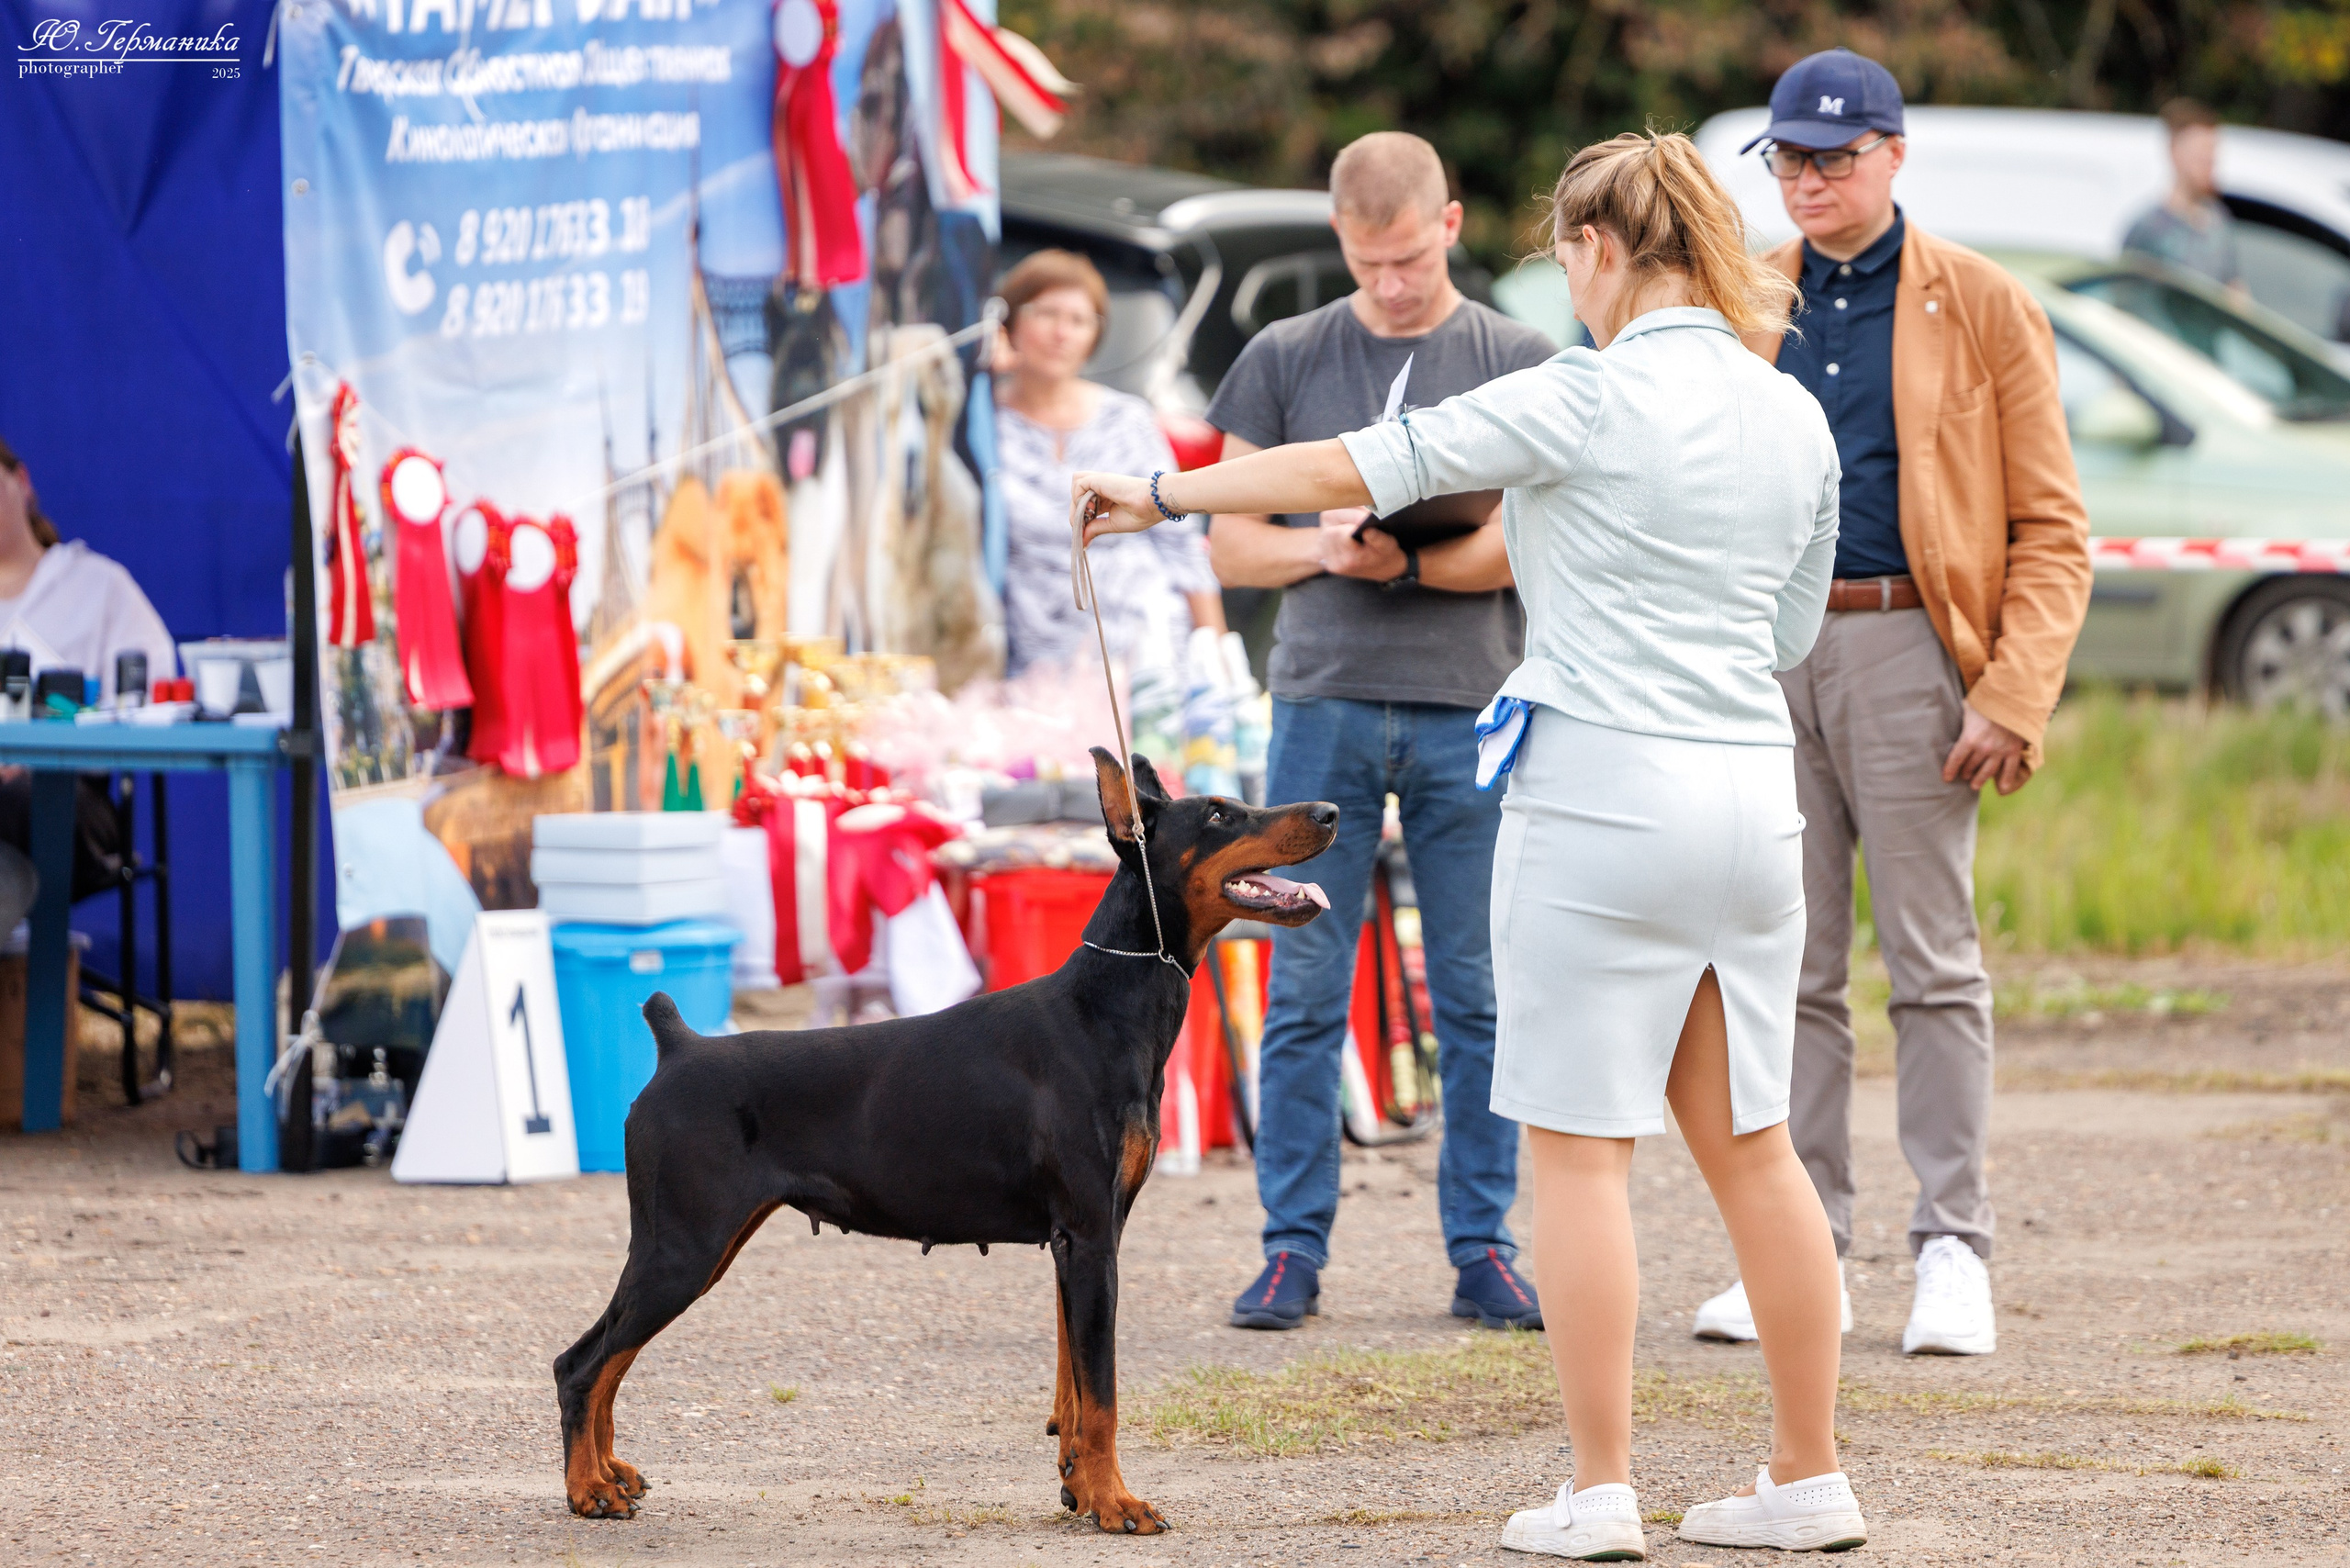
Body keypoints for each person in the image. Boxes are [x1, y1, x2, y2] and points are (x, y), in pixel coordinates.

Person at [1077, 129, 1873, 1558]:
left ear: (1601, 250)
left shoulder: (1580, 390)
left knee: (1578, 1159)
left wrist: (1161, 493)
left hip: (1604, 803)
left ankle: (1601, 1488)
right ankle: (1806, 1474)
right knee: (1760, 1153)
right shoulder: (1791, 412)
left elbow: (1365, 460)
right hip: (1755, 803)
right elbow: (1791, 633)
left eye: (1568, 258)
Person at [1695, 49, 2090, 1359]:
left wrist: (2013, 691)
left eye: (1836, 157)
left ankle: (1953, 1246)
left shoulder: (1979, 301)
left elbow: (2053, 527)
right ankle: (1803, 1250)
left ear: (1893, 155)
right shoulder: (1747, 296)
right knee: (1784, 966)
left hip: (1912, 644)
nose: (1809, 180)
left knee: (1931, 961)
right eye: (1791, 160)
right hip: (1765, 653)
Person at [1197, 130, 1559, 1334]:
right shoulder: (1289, 352)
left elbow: (1524, 541)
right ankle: (1290, 1250)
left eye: (1408, 259)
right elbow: (1234, 540)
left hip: (1469, 702)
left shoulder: (1517, 355)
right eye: (1367, 263)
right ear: (1341, 242)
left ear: (1450, 225)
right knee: (1305, 988)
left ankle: (1486, 1249)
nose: (1391, 284)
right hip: (1324, 696)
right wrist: (1326, 547)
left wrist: (1408, 558)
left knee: (1482, 994)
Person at [992, 249, 1223, 678]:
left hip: (1146, 654)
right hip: (1032, 663)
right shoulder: (982, 423)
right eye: (1046, 313)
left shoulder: (1127, 419)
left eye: (1079, 321)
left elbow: (1182, 542)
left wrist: (1218, 663)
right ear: (1010, 322)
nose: (1061, 333)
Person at [0, 434, 180, 902]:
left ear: (22, 482)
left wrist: (45, 746)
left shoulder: (97, 585)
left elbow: (153, 692)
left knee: (25, 801)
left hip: (69, 792)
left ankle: (36, 957)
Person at [2122, 99, 2246, 297]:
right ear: (2174, 152)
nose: (2209, 167)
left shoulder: (2219, 221)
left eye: (2211, 158)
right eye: (2200, 158)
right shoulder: (2149, 229)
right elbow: (2127, 298)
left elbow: (2234, 293)